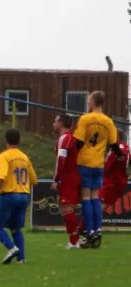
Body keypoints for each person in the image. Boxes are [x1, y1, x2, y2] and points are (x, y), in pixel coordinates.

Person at [73, 91, 121, 247]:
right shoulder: (108, 121)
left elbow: (78, 142)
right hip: (99, 164)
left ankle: (90, 231)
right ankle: (98, 229)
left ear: (93, 102)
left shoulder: (85, 119)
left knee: (86, 198)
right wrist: (120, 155)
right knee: (96, 198)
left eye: (88, 100)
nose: (88, 103)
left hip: (85, 161)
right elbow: (114, 144)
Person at [0, 128, 37, 264]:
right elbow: (33, 179)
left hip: (9, 195)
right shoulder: (24, 157)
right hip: (24, 195)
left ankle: (11, 248)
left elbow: (1, 177)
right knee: (16, 228)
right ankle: (21, 258)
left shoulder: (4, 156)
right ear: (19, 141)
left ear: (5, 140)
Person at [78, 128, 129, 248]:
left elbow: (106, 168)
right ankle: (90, 232)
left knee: (95, 204)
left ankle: (86, 230)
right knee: (99, 206)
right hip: (117, 183)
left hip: (112, 183)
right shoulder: (125, 147)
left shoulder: (116, 150)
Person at [50, 114, 81, 249]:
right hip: (72, 176)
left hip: (69, 178)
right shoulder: (70, 138)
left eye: (55, 121)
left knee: (67, 207)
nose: (53, 124)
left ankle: (74, 241)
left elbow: (61, 160)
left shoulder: (65, 138)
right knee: (66, 208)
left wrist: (56, 179)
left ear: (61, 123)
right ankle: (74, 239)